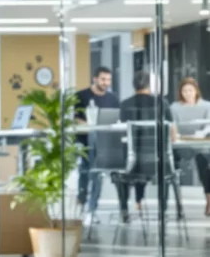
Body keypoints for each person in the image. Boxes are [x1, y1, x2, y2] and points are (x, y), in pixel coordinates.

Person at [116, 70, 176, 222]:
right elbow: (171, 130)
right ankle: (162, 211)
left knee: (121, 171)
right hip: (157, 161)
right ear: (150, 85)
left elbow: (123, 131)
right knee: (165, 173)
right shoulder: (162, 103)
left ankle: (124, 209)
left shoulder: (125, 104)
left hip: (132, 162)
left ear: (133, 85)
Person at [74, 66, 119, 219]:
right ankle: (81, 201)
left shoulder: (113, 98)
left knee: (97, 175)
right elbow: (74, 118)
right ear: (95, 79)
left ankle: (92, 208)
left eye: (108, 80)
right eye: (103, 79)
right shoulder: (81, 96)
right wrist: (87, 125)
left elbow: (115, 118)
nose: (106, 83)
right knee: (85, 171)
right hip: (84, 140)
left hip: (104, 142)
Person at [171, 77, 210, 215]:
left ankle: (209, 201)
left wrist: (202, 134)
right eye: (184, 91)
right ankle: (178, 204)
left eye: (190, 90)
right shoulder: (174, 107)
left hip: (200, 143)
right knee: (171, 166)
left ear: (196, 91)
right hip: (181, 143)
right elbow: (172, 125)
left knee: (205, 164)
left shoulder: (206, 105)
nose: (187, 93)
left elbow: (208, 125)